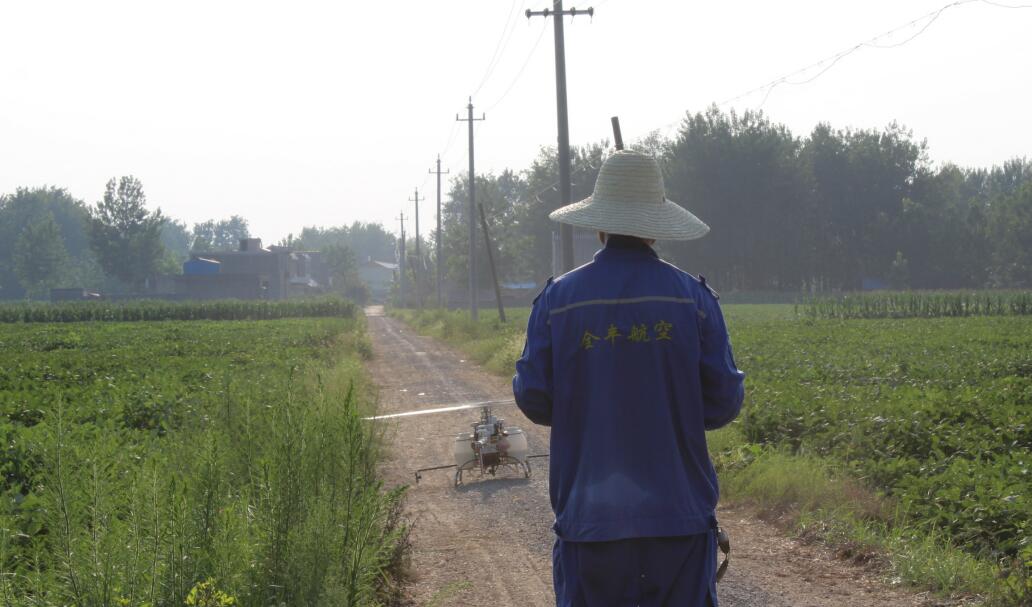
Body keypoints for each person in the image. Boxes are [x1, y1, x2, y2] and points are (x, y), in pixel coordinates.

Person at [512, 149, 745, 607]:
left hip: (591, 525)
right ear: (656, 226)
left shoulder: (558, 301)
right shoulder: (693, 300)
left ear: (599, 223)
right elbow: (722, 404)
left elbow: (535, 399)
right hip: (678, 521)